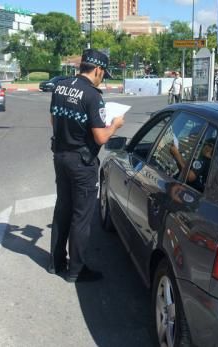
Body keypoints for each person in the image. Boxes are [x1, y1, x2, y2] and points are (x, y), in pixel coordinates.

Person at [49, 49, 125, 283]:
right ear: (98, 69)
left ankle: (56, 263)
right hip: (82, 162)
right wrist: (115, 125)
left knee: (63, 208)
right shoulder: (92, 96)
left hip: (60, 156)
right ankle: (76, 270)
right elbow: (101, 138)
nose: (103, 77)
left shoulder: (60, 86)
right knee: (81, 217)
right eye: (103, 73)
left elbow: (53, 119)